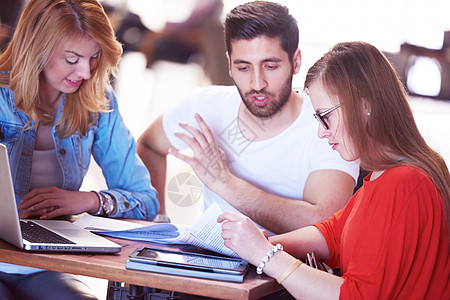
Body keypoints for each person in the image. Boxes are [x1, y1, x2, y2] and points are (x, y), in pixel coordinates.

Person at [218, 41, 450, 299]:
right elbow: (333, 234)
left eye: (325, 116)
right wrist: (258, 244)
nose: (321, 132)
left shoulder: (402, 182)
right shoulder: (387, 174)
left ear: (365, 105)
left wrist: (264, 255)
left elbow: (356, 296)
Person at [137, 1, 359, 235]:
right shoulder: (204, 105)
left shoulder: (327, 127)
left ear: (296, 61)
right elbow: (150, 146)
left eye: (270, 66)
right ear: (229, 64)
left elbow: (324, 224)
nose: (257, 83)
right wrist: (158, 220)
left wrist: (225, 183)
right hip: (206, 263)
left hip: (284, 268)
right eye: (243, 68)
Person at [0, 0, 159, 299]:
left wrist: (87, 200)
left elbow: (146, 201)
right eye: (72, 58)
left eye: (94, 56)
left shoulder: (98, 102)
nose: (86, 72)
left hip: (47, 265)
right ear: (37, 49)